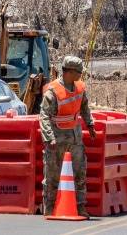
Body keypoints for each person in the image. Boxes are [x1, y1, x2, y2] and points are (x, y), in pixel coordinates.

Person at [39, 55, 95, 218]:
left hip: (75, 138)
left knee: (79, 173)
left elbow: (84, 107)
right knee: (52, 175)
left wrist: (90, 124)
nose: (80, 75)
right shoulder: (53, 91)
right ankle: (50, 208)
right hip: (57, 139)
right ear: (68, 72)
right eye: (78, 72)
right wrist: (49, 138)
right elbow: (44, 116)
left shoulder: (79, 88)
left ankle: (80, 207)